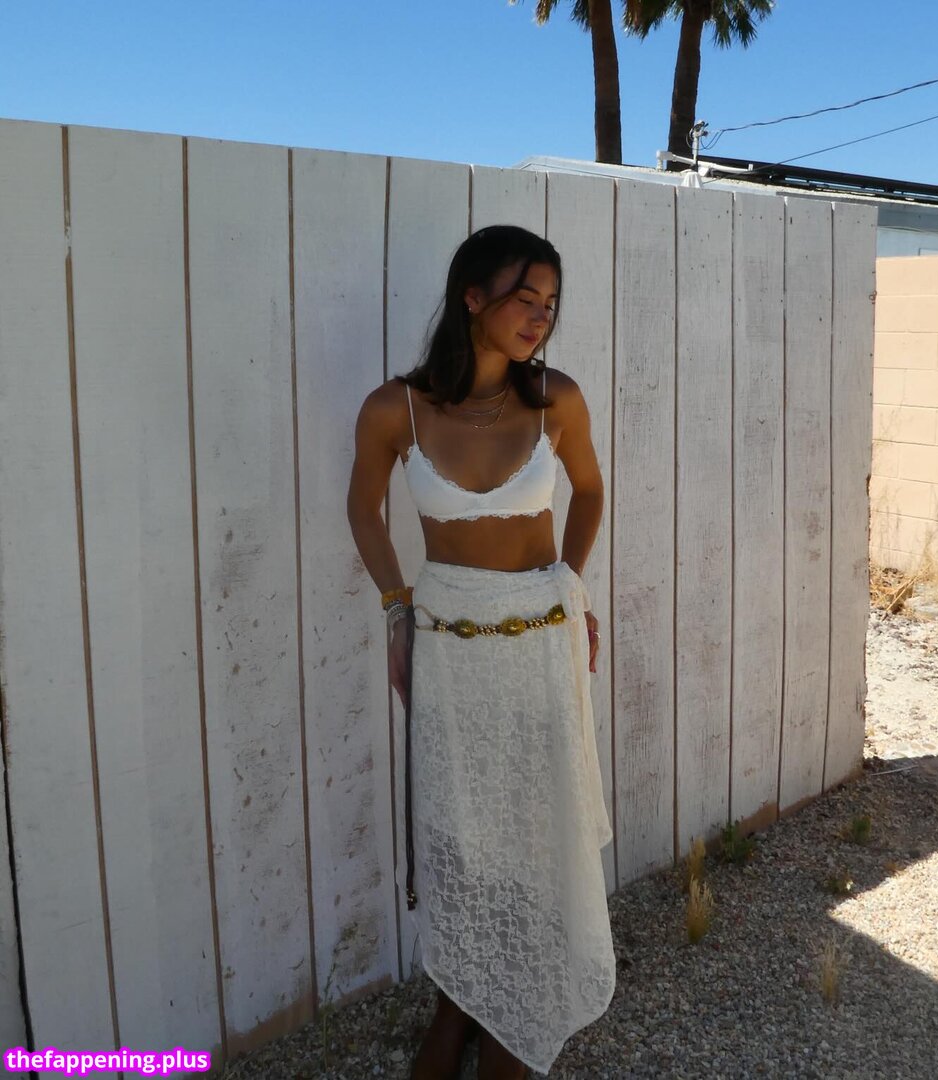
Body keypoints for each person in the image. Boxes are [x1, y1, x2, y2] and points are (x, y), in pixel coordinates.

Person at [346, 224, 615, 1079]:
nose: (541, 317)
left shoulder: (556, 399)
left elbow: (589, 490)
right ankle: (458, 1000)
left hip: (539, 639)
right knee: (457, 830)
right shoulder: (395, 409)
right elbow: (363, 510)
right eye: (524, 298)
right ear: (472, 298)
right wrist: (396, 611)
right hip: (449, 640)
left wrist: (572, 588)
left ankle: (514, 1006)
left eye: (551, 304)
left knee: (535, 823)